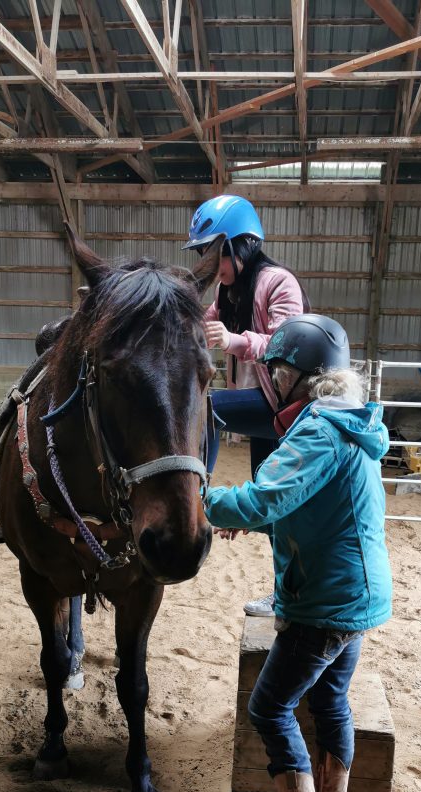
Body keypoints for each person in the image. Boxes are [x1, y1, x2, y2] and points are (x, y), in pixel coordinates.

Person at [203, 315, 392, 792]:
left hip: (325, 600)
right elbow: (310, 505)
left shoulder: (317, 431)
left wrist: (203, 502)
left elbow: (266, 498)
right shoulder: (348, 424)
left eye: (277, 374)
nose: (272, 385)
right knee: (331, 701)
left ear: (299, 377)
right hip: (354, 595)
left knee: (269, 706)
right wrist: (256, 515)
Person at [183, 194, 308, 617]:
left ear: (242, 246)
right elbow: (204, 321)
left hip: (282, 406)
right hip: (260, 408)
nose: (208, 261)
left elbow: (286, 344)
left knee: (213, 408)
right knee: (271, 504)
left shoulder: (279, 283)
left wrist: (234, 341)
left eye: (213, 252)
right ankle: (285, 594)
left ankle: (198, 492)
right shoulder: (228, 290)